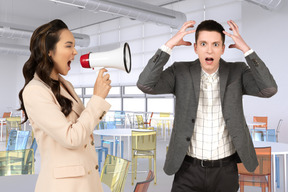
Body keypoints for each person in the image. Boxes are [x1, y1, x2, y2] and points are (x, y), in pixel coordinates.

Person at [137, 20, 277, 191]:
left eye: (215, 44)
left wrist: (247, 50)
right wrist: (169, 45)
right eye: (203, 44)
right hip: (187, 169)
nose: (209, 50)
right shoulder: (180, 71)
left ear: (223, 49)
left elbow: (269, 89)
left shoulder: (237, 71)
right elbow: (145, 84)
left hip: (225, 171)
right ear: (195, 48)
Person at [18, 19, 111, 192]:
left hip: (85, 183)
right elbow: (71, 138)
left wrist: (97, 99)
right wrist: (97, 99)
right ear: (49, 52)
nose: (75, 52)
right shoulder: (34, 91)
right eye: (69, 46)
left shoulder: (66, 85)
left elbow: (84, 128)